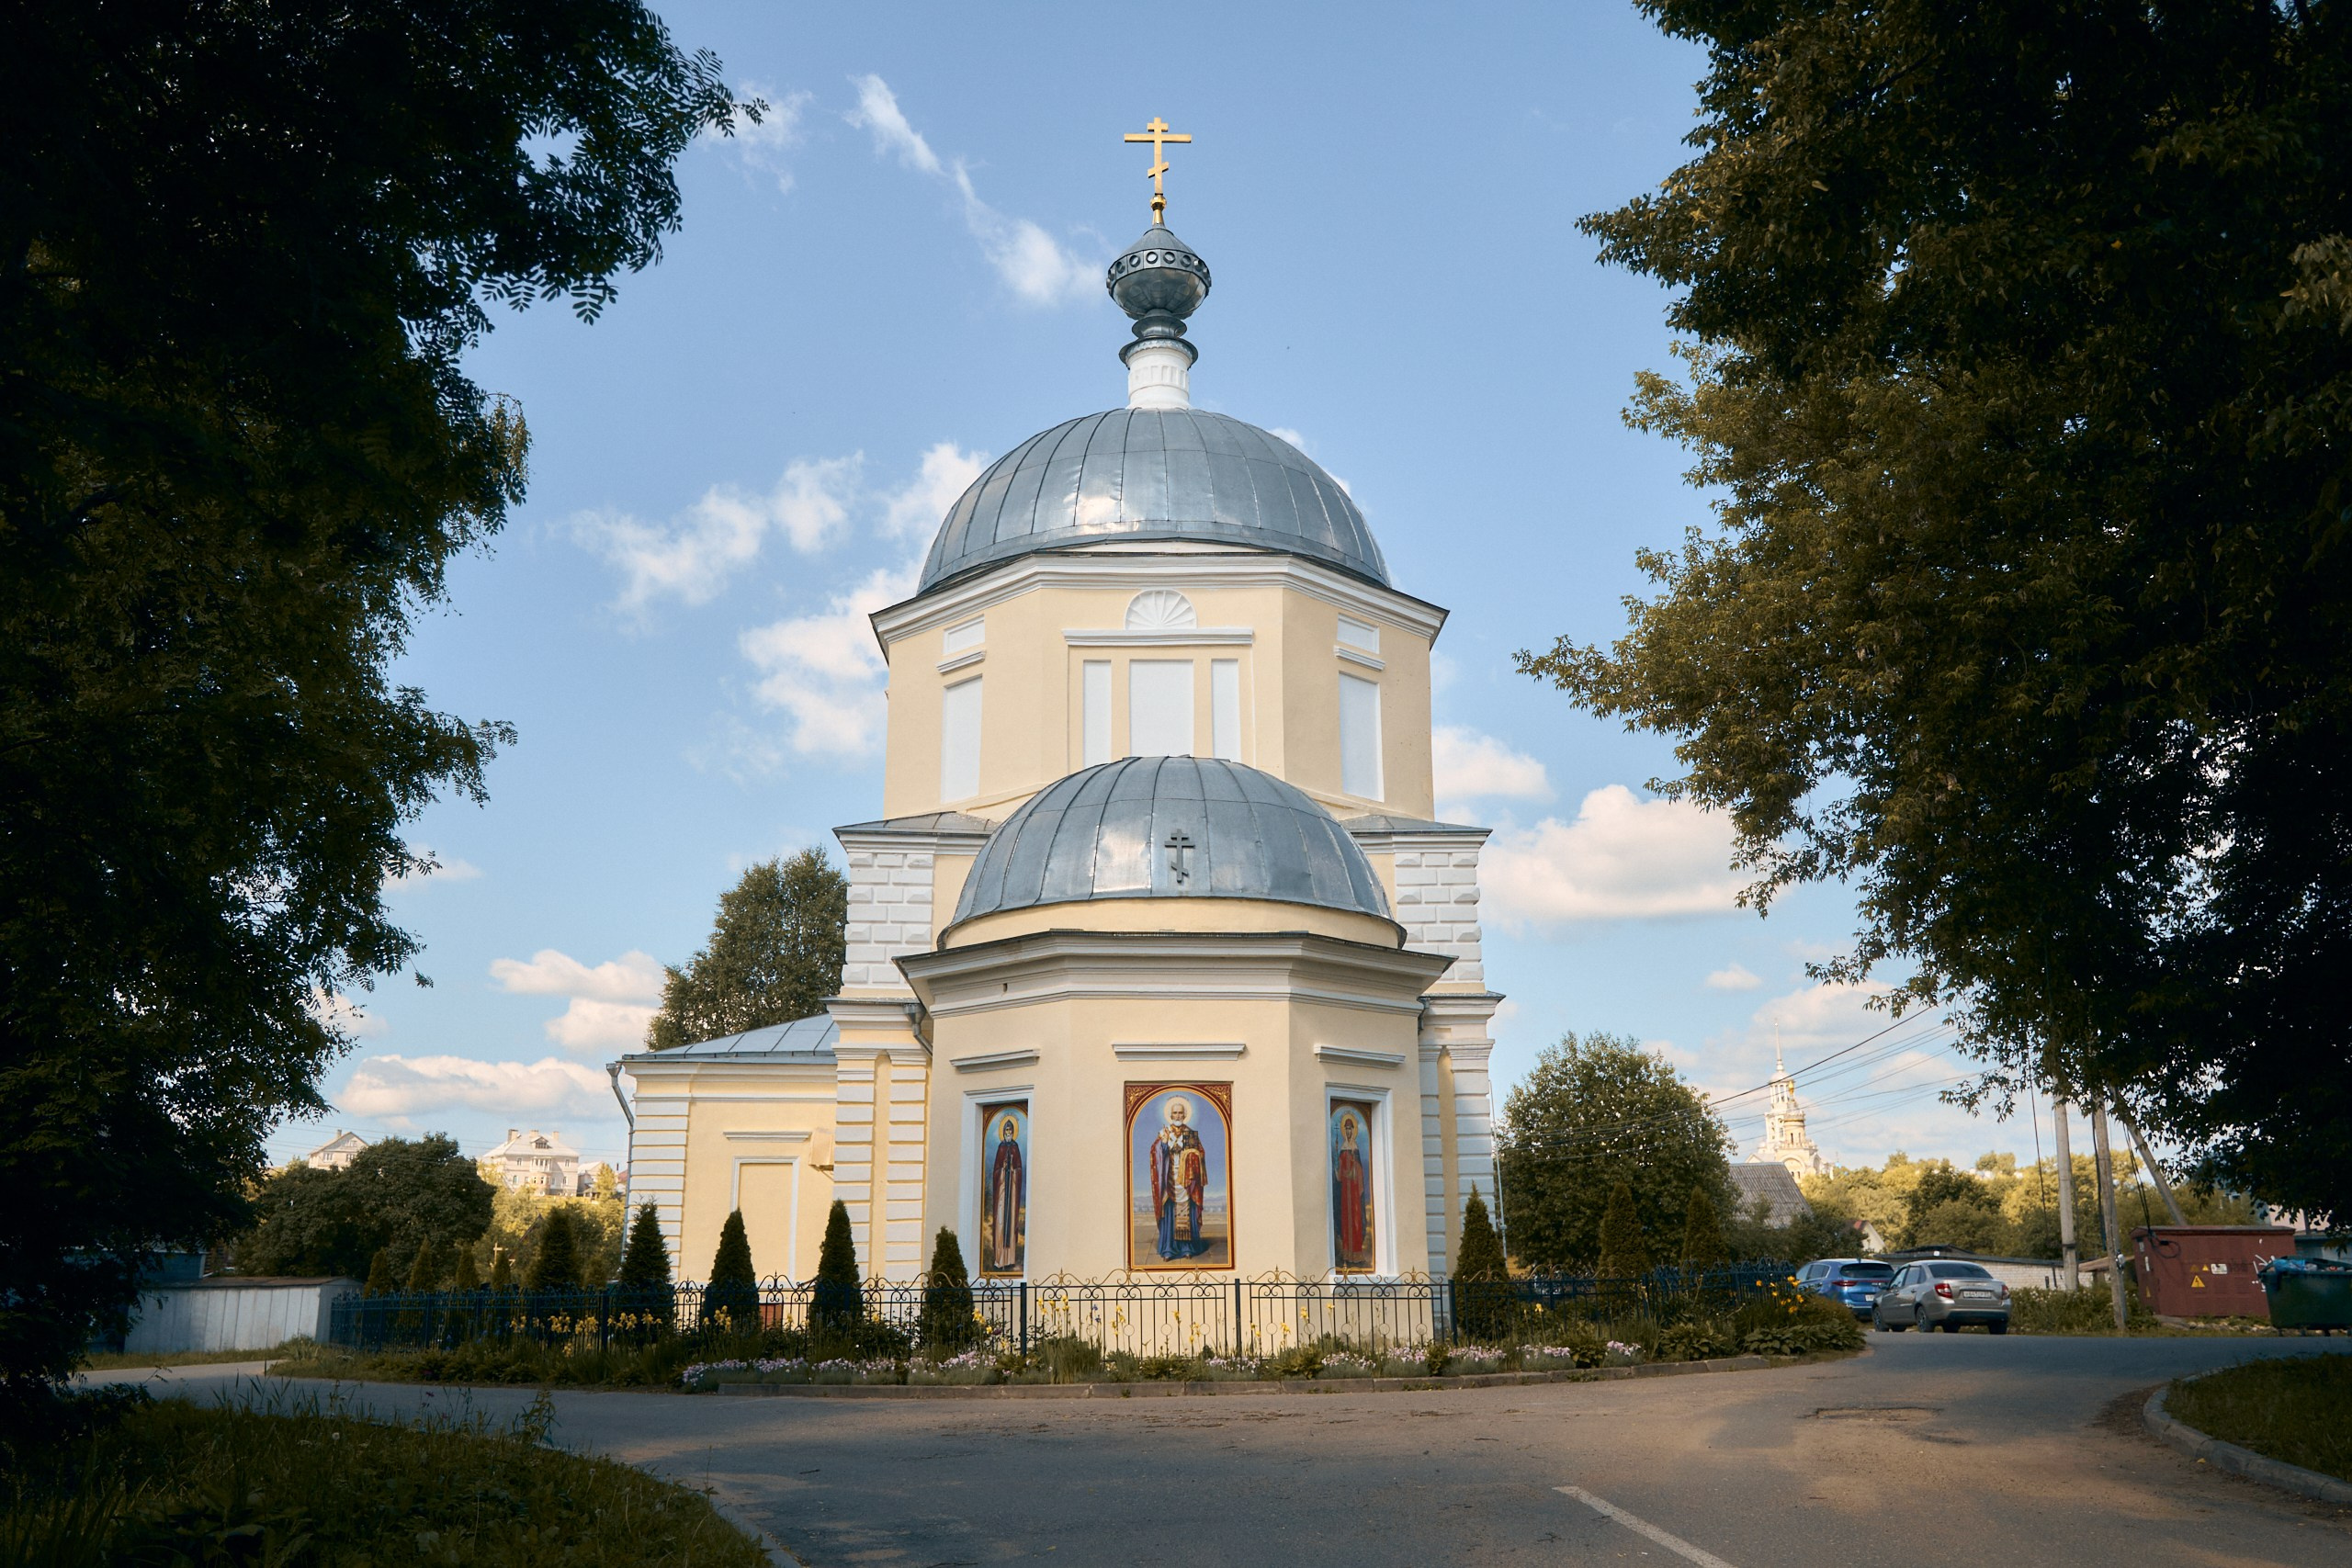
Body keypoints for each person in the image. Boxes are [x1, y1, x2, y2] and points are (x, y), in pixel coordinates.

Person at [1149, 1096, 1211, 1260]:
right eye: (1175, 1113)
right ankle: (1169, 1248)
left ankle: (1186, 1247)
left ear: (1185, 1115)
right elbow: (1155, 1155)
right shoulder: (1164, 1133)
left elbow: (1200, 1154)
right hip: (1168, 1178)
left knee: (1186, 1212)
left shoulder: (1189, 1134)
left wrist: (1191, 1157)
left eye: (1180, 1113)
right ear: (1170, 1115)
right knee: (1169, 1211)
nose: (1178, 1116)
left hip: (1185, 1181)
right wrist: (1163, 1144)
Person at [986, 1112, 1024, 1272]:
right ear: (1003, 1132)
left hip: (1012, 1191)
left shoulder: (1015, 1147)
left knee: (1010, 1221)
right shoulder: (1001, 1148)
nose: (1008, 1133)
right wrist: (1002, 1169)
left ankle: (1009, 1259)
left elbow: (1020, 1169)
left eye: (1010, 1131)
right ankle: (999, 1258)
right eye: (1006, 1131)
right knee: (1001, 1222)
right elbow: (995, 1171)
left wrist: (1014, 1171)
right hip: (1002, 1191)